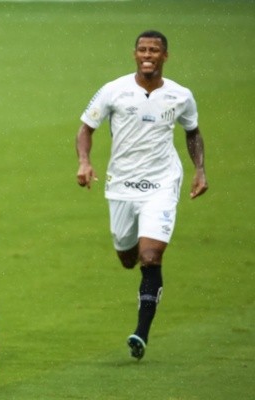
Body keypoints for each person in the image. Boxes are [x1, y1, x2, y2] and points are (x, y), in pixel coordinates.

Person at [75, 30, 208, 360]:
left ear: (165, 56)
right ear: (135, 54)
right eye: (143, 49)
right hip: (121, 185)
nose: (148, 54)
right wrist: (84, 161)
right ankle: (136, 252)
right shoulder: (114, 90)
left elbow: (192, 132)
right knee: (127, 258)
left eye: (155, 50)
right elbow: (85, 129)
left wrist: (200, 170)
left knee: (150, 257)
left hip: (162, 183)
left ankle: (141, 333)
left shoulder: (180, 95)